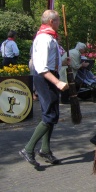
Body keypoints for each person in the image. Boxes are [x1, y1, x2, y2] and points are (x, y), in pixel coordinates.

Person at [19, 10, 69, 167]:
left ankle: (45, 149)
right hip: (45, 78)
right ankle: (28, 149)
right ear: (52, 21)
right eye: (58, 21)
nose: (60, 23)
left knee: (53, 115)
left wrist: (62, 62)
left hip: (49, 76)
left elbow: (48, 61)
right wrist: (58, 82)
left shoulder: (50, 38)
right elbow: (41, 67)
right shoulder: (43, 39)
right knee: (49, 115)